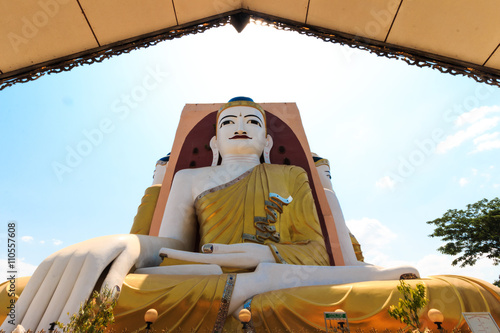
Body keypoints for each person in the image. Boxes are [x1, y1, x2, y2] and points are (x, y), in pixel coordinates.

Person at [3, 98, 497, 332]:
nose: (241, 127)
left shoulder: (291, 178)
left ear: (266, 141)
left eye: (253, 123)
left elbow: (320, 250)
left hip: (292, 277)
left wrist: (262, 252)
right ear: (214, 142)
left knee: (454, 292)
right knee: (23, 291)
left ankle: (262, 281)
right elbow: (166, 248)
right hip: (197, 276)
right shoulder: (189, 179)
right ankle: (256, 287)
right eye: (230, 123)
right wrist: (127, 245)